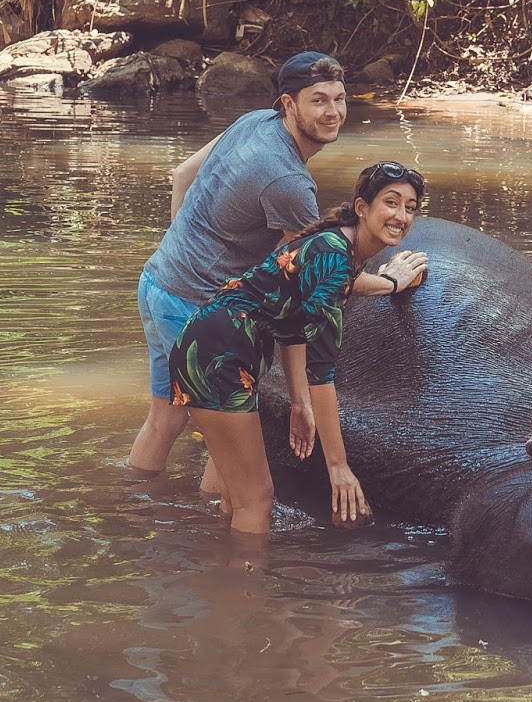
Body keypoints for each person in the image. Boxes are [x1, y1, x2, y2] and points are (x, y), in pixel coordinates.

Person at [129, 51, 428, 485]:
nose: (333, 113)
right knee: (229, 449)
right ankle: (216, 541)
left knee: (165, 421)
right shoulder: (288, 182)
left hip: (158, 281)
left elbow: (182, 174)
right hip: (200, 309)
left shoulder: (252, 121)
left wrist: (185, 250)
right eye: (318, 101)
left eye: (340, 99)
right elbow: (316, 274)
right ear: (289, 104)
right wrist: (389, 281)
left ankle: (132, 507)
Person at [167, 161, 428, 533]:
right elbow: (321, 372)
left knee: (230, 496)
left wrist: (299, 404)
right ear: (361, 207)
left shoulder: (336, 247)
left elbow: (295, 326)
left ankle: (209, 558)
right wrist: (337, 465)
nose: (401, 215)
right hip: (219, 358)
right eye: (391, 202)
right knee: (257, 498)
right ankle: (244, 588)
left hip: (213, 346)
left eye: (410, 207)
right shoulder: (335, 258)